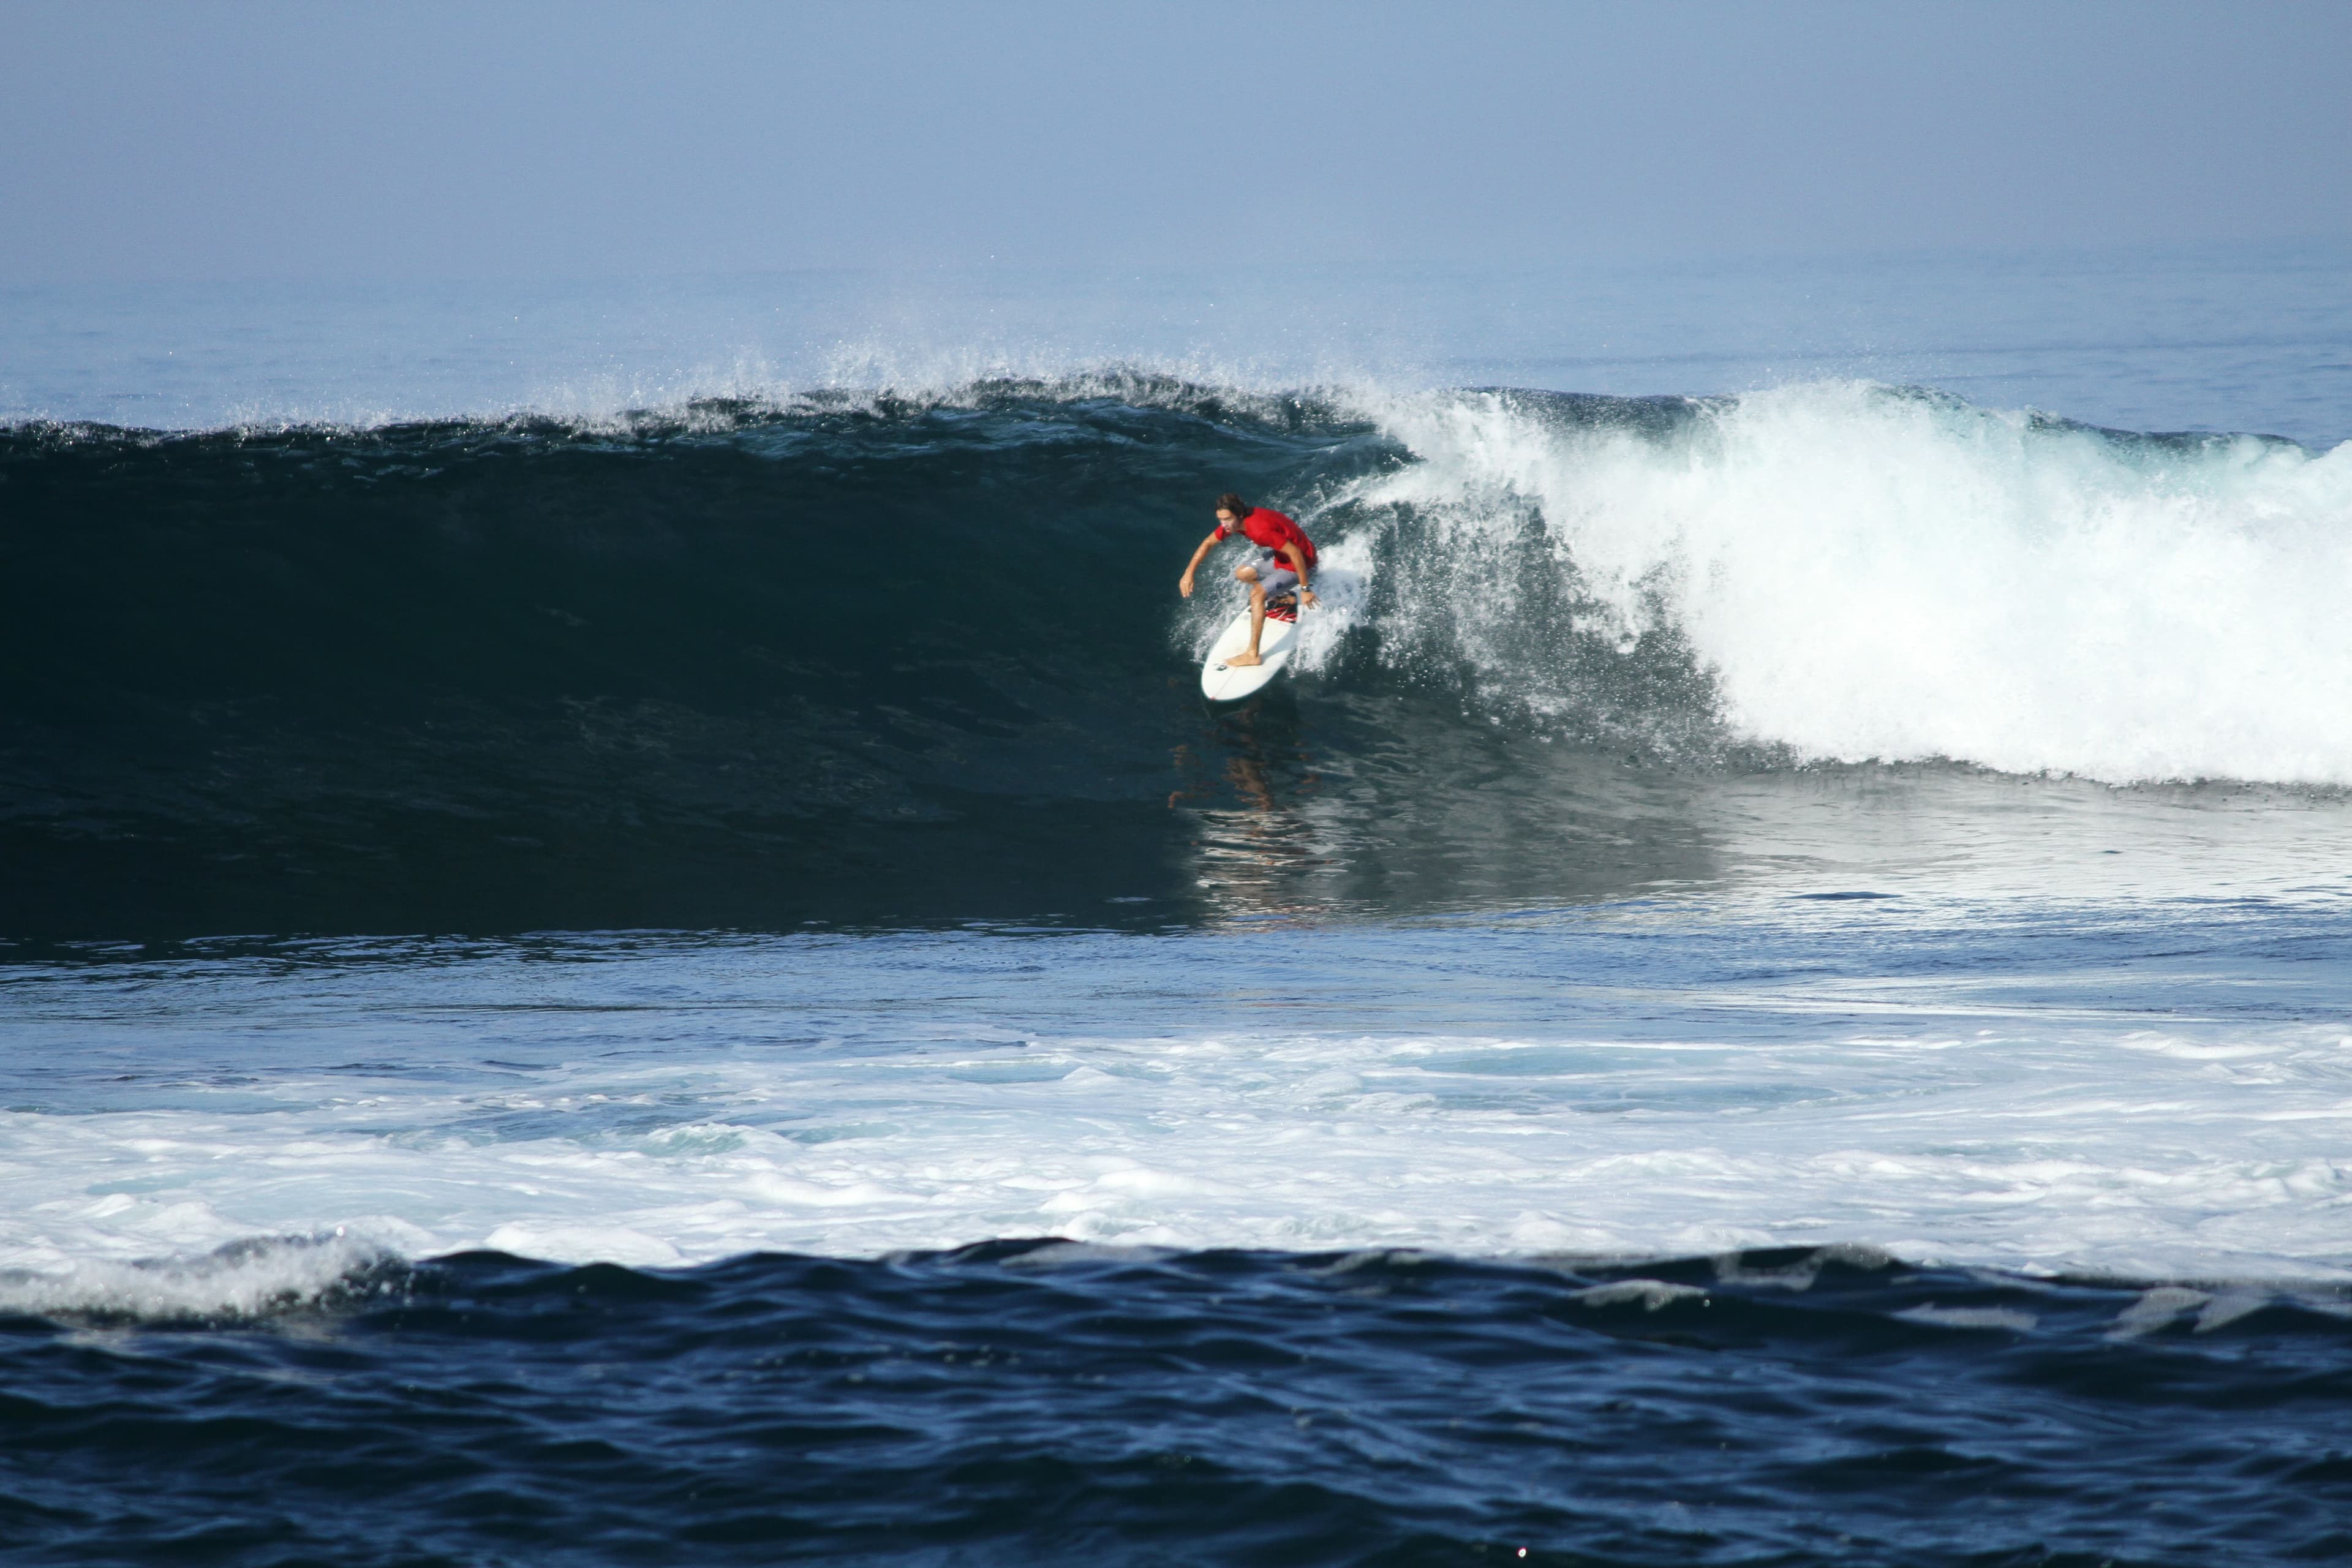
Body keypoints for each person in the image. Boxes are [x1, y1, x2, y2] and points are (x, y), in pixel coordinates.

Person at [1177, 492, 1319, 666]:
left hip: (1303, 563)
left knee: (1256, 595)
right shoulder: (1237, 523)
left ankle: (1253, 654)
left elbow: (1296, 553)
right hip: (1281, 557)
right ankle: (1282, 597)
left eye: (1227, 519)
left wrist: (1305, 589)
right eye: (1221, 520)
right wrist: (1188, 573)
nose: (1224, 525)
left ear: (1240, 514)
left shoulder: (1260, 530)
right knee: (1243, 573)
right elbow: (1208, 543)